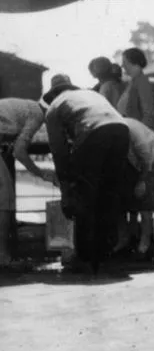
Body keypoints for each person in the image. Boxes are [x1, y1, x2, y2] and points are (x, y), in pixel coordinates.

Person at [43, 74, 130, 274]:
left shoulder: (54, 107)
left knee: (84, 197)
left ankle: (85, 258)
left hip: (93, 133)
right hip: (121, 130)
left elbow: (59, 151)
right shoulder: (91, 95)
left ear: (53, 94)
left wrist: (66, 186)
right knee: (109, 195)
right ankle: (106, 255)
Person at [0, 98, 58, 267]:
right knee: (5, 197)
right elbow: (19, 152)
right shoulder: (37, 114)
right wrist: (43, 174)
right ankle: (3, 256)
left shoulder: (27, 107)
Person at [120, 117, 154, 259]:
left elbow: (146, 159)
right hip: (131, 160)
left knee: (145, 201)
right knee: (125, 199)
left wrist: (142, 181)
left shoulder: (131, 132)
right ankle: (128, 238)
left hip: (151, 155)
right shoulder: (108, 135)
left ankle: (145, 244)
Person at [117, 48, 154, 131]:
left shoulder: (142, 82)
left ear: (134, 62)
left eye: (125, 62)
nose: (122, 65)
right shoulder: (132, 83)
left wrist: (141, 132)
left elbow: (149, 114)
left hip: (140, 133)